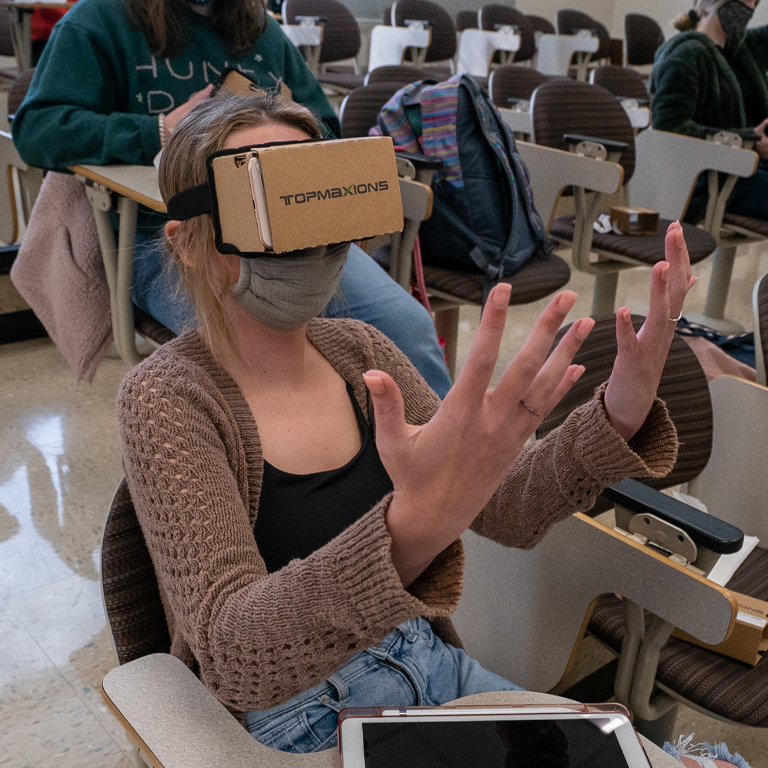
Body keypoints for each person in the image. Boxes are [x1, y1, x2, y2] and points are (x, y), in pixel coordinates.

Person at [115, 95, 745, 768]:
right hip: (288, 726)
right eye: (266, 206)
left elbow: (509, 506)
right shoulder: (167, 398)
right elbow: (234, 655)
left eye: (312, 196)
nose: (303, 238)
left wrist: (618, 410)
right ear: (188, 242)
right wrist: (409, 531)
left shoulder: (362, 352)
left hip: (427, 661)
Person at [11, 0, 453, 397]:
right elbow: (38, 130)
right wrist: (158, 130)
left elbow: (326, 127)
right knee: (268, 357)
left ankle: (447, 469)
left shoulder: (258, 27)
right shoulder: (97, 21)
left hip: (292, 227)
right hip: (174, 239)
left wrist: (286, 126)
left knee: (407, 329)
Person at [651, 0, 768, 223]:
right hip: (714, 178)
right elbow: (669, 131)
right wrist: (749, 140)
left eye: (756, 1)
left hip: (749, 167)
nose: (751, 8)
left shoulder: (744, 50)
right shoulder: (685, 54)